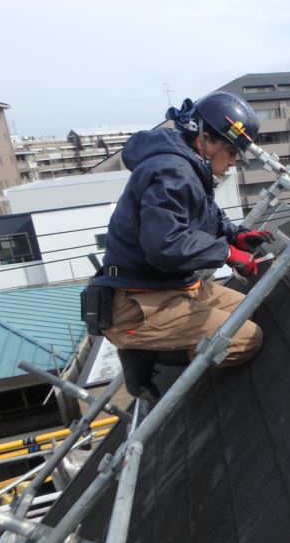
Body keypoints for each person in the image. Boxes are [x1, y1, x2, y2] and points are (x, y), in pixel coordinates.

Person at [90, 91, 273, 398]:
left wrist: (234, 235)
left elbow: (204, 216)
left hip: (163, 289)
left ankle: (154, 345)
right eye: (230, 151)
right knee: (245, 338)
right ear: (205, 139)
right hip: (135, 305)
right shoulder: (174, 170)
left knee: (247, 309)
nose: (231, 163)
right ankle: (142, 353)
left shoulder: (187, 166)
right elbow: (165, 244)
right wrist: (227, 253)